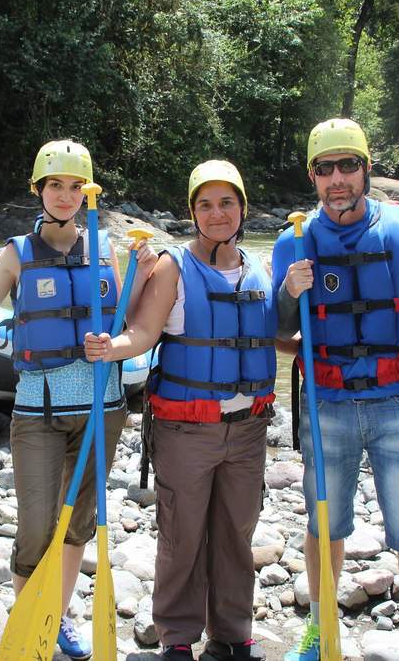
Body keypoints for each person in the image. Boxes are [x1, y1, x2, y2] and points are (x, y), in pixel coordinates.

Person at [84, 159, 281, 661]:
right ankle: (176, 636)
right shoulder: (173, 265)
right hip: (186, 429)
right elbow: (144, 333)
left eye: (227, 203)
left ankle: (232, 633)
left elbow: (272, 338)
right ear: (193, 212)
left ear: (242, 208)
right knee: (182, 534)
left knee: (237, 533)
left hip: (247, 430)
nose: (217, 214)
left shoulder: (259, 266)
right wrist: (112, 347)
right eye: (206, 205)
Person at [272, 119, 399, 660]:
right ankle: (322, 630)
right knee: (325, 524)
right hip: (327, 402)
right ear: (313, 177)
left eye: (349, 166)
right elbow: (276, 331)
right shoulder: (292, 241)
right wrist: (286, 292)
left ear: (367, 170)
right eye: (326, 169)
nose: (338, 178)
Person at [0, 139, 153, 659]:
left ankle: (56, 617)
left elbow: (124, 321)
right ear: (38, 190)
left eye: (76, 186)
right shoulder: (15, 253)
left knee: (78, 522)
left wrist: (141, 278)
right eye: (55, 184)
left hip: (102, 408)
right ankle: (29, 616)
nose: (66, 195)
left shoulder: (101, 246)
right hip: (38, 410)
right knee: (36, 526)